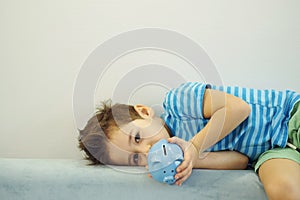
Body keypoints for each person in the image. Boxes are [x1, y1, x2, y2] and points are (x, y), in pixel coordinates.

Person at [78, 82, 300, 200]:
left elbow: (238, 108)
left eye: (137, 137)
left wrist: (194, 147)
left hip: (288, 117)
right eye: (135, 158)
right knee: (283, 189)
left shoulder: (178, 102)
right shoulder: (184, 152)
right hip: (273, 151)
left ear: (145, 112)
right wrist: (189, 159)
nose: (146, 150)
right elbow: (240, 160)